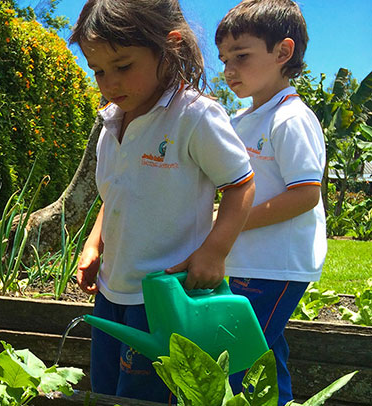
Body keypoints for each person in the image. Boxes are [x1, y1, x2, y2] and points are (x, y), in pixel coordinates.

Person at [69, 0, 256, 402]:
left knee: (146, 396)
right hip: (111, 290)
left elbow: (241, 185)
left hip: (163, 296)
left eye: (123, 66)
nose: (108, 82)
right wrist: (94, 243)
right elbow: (116, 193)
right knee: (104, 391)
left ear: (168, 47)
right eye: (98, 70)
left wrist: (214, 252)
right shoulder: (111, 122)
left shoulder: (194, 117)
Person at [216, 1, 325, 403]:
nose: (228, 70)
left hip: (277, 264)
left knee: (236, 359)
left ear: (283, 52)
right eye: (225, 59)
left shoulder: (291, 117)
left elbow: (305, 194)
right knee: (264, 352)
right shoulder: (242, 118)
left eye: (241, 57)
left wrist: (232, 222)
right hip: (249, 260)